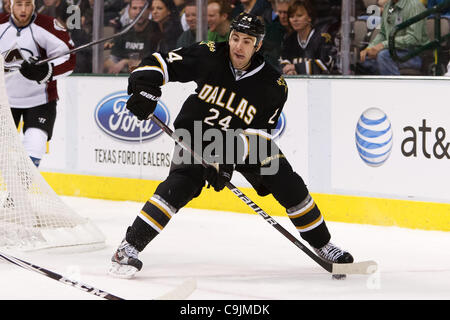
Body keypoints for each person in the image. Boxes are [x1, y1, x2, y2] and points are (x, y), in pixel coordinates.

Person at [108, 12, 354, 278]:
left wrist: (225, 158)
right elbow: (160, 62)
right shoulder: (209, 53)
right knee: (180, 185)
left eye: (247, 41)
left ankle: (323, 244)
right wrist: (145, 88)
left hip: (241, 142)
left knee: (286, 181)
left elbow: (259, 136)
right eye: (235, 38)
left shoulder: (274, 86)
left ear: (258, 46)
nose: (238, 46)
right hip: (197, 134)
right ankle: (128, 248)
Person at [0, 0, 75, 167]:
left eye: (28, 4)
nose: (24, 9)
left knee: (34, 146)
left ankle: (19, 192)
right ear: (9, 5)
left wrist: (47, 71)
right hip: (4, 101)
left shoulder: (48, 26)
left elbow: (69, 58)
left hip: (40, 100)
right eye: (19, 4)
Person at [358, 0, 428, 75]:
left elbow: (413, 38)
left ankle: (393, 86)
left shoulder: (415, 6)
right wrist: (370, 48)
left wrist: (383, 45)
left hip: (414, 54)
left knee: (383, 56)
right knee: (364, 60)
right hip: (392, 50)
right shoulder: (388, 6)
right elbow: (383, 34)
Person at [280, 0, 337, 75]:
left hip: (320, 84)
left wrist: (297, 68)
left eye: (299, 15)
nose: (295, 20)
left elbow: (326, 63)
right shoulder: (289, 39)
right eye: (291, 16)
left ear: (309, 17)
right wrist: (289, 70)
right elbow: (282, 60)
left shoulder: (323, 38)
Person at [103, 0, 153, 74]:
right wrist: (112, 66)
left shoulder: (156, 31)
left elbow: (154, 62)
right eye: (134, 8)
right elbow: (112, 59)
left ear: (149, 11)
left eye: (141, 8)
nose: (138, 12)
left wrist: (125, 62)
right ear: (129, 11)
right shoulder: (124, 31)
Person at [260, 0, 292, 72]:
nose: (282, 16)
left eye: (286, 12)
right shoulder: (270, 31)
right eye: (280, 12)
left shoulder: (298, 33)